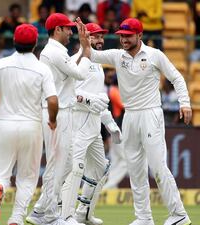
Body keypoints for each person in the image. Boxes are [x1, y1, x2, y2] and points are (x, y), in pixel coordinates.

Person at [89, 18, 192, 225]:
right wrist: (84, 39)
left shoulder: (155, 55)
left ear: (139, 35)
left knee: (158, 166)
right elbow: (91, 54)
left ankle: (179, 215)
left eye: (128, 36)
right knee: (135, 169)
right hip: (130, 116)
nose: (123, 40)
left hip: (150, 114)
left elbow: (177, 78)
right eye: (121, 36)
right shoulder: (118, 56)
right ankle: (143, 218)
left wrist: (185, 103)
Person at [25, 15, 108, 225]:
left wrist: (83, 47)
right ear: (57, 29)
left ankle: (44, 210)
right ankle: (46, 213)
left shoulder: (58, 52)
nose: (71, 32)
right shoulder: (53, 52)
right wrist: (85, 47)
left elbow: (73, 64)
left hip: (64, 111)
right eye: (68, 29)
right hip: (57, 112)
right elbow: (79, 74)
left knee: (66, 164)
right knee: (57, 164)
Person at [0, 23, 59, 225]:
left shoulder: (1, 63)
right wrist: (52, 120)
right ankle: (16, 218)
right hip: (31, 126)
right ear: (35, 44)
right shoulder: (42, 68)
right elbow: (52, 100)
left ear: (14, 41)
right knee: (27, 177)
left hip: (5, 123)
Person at [60, 22, 122, 225]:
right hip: (77, 123)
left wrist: (110, 123)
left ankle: (83, 213)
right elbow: (68, 93)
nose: (100, 40)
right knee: (74, 168)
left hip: (94, 127)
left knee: (102, 168)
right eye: (95, 36)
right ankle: (63, 215)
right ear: (84, 37)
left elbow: (99, 100)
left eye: (101, 37)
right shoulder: (75, 60)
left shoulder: (96, 62)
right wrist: (89, 101)